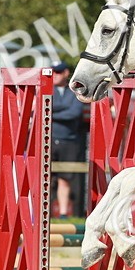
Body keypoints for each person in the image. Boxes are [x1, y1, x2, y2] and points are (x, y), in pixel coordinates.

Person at [50, 61, 89, 217]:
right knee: (45, 179)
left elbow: (74, 112)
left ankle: (64, 213)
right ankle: (42, 213)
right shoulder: (47, 89)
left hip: (70, 141)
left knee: (65, 179)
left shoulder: (74, 90)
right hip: (50, 140)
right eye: (53, 72)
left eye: (58, 72)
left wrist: (52, 114)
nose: (55, 75)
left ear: (66, 73)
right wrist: (61, 109)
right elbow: (43, 109)